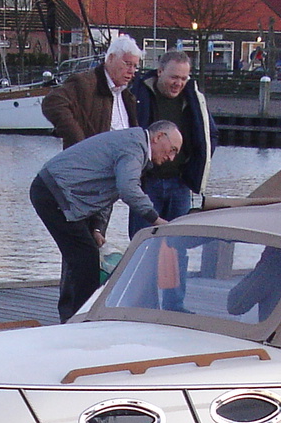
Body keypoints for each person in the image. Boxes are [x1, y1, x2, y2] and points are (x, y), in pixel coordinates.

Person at [30, 121, 184, 320]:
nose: (171, 158)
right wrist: (156, 219)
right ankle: (82, 319)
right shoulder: (134, 147)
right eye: (172, 150)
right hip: (55, 194)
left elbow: (105, 191)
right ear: (159, 137)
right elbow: (127, 189)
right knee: (85, 259)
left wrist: (97, 228)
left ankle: (74, 316)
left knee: (81, 257)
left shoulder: (133, 145)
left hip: (66, 196)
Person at [126, 49, 215, 233]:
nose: (178, 83)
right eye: (174, 77)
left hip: (180, 182)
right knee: (143, 239)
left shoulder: (194, 100)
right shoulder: (138, 96)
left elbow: (209, 135)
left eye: (183, 78)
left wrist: (194, 166)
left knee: (178, 241)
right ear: (160, 72)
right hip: (146, 183)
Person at [41, 34, 144, 146]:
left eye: (135, 66)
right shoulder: (85, 83)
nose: (131, 71)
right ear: (111, 58)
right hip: (92, 156)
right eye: (128, 64)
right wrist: (78, 140)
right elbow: (52, 102)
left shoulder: (127, 96)